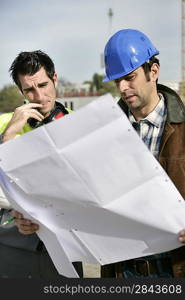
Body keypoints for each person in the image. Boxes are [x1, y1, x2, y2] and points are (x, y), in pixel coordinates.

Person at [101, 29, 185, 278]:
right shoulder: (104, 134)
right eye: (117, 81)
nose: (123, 88)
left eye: (130, 77)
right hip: (122, 270)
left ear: (154, 71)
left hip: (174, 268)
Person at [0, 50, 83, 278]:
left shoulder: (79, 124)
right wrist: (8, 136)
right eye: (29, 90)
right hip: (13, 251)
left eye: (44, 85)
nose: (39, 96)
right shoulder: (4, 124)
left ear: (55, 79)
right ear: (21, 91)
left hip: (67, 251)